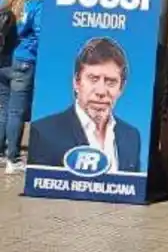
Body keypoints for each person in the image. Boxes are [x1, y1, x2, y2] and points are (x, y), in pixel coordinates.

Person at [28, 37, 141, 173]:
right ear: (76, 82)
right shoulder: (43, 133)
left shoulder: (131, 137)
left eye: (110, 82)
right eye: (93, 79)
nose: (101, 91)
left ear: (121, 88)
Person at [0, 0, 42, 173]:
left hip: (3, 61)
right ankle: (13, 158)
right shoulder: (36, 5)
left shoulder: (4, 1)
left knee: (2, 108)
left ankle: (1, 153)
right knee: (16, 111)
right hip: (24, 61)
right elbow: (41, 34)